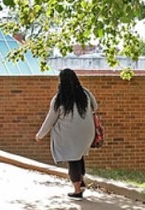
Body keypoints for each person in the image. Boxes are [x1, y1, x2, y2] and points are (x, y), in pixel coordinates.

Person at [35, 68, 98, 199]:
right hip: (87, 132)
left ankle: (77, 190)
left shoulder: (59, 99)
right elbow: (95, 107)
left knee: (73, 158)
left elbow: (50, 119)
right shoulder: (85, 93)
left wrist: (40, 135)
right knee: (78, 155)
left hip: (69, 134)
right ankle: (81, 180)